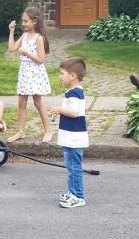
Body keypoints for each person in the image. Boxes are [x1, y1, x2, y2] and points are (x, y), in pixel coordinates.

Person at [6, 7, 52, 143]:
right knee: (21, 103)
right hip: (25, 72)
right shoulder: (25, 36)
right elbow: (11, 48)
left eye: (26, 21)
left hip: (35, 72)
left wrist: (26, 52)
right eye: (22, 21)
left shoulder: (39, 38)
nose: (23, 24)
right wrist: (11, 32)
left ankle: (48, 131)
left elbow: (40, 59)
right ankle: (21, 131)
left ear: (35, 22)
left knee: (38, 102)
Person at [51, 58, 89, 208]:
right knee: (71, 167)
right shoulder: (73, 92)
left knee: (74, 168)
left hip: (74, 139)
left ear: (72, 76)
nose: (60, 76)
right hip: (70, 138)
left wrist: (59, 109)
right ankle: (72, 191)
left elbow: (74, 112)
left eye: (62, 73)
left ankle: (78, 196)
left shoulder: (74, 94)